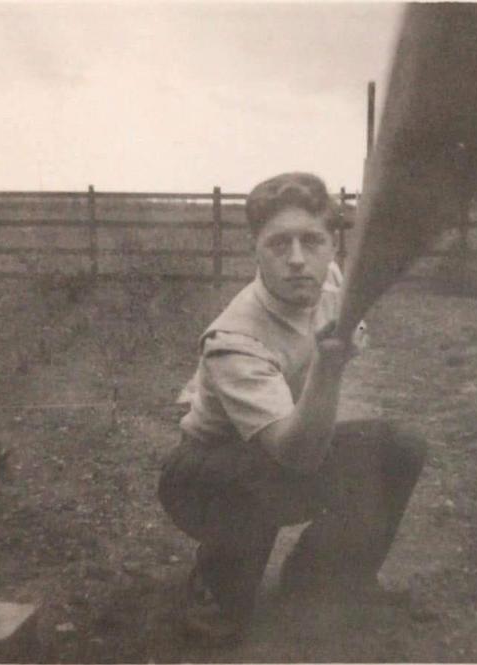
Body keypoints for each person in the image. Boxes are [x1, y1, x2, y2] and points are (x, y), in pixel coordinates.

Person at [158, 172, 427, 643]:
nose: (298, 260)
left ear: (332, 248)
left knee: (398, 447)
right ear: (254, 250)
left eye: (312, 241)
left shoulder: (332, 285)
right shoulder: (234, 338)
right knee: (262, 473)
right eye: (279, 244)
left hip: (274, 446)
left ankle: (320, 578)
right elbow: (295, 455)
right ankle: (216, 592)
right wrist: (327, 368)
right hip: (203, 474)